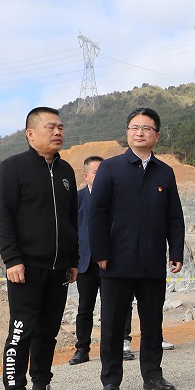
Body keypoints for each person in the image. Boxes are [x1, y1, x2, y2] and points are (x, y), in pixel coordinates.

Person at [89, 107, 185, 390]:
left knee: (152, 321)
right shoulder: (111, 168)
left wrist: (176, 251)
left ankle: (152, 374)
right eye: (135, 127)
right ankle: (111, 380)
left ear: (157, 135)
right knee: (113, 323)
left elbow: (174, 217)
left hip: (152, 260)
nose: (140, 132)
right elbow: (97, 213)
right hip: (116, 260)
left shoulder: (165, 172)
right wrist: (100, 251)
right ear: (127, 133)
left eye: (146, 128)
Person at [0, 106, 77, 390]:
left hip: (59, 269)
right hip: (25, 269)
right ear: (30, 134)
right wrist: (12, 259)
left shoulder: (66, 170)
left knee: (48, 332)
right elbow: (2, 217)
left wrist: (73, 259)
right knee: (21, 332)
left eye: (60, 127)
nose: (58, 132)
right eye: (50, 127)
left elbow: (72, 219)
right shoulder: (12, 168)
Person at [70, 156, 135, 366]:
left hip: (113, 261)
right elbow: (72, 231)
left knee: (119, 305)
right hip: (86, 262)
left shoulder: (117, 197)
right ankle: (82, 348)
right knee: (85, 307)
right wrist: (72, 261)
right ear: (85, 176)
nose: (100, 176)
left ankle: (122, 343)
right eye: (96, 172)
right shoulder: (77, 199)